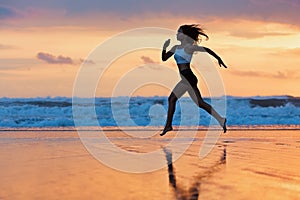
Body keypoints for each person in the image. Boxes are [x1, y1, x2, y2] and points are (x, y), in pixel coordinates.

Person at [160, 24, 227, 136]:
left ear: (185, 36)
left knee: (172, 99)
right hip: (187, 78)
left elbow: (206, 49)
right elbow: (164, 58)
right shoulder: (175, 48)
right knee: (199, 103)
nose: (177, 34)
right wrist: (164, 48)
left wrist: (218, 58)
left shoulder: (189, 48)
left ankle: (168, 126)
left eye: (179, 32)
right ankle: (221, 119)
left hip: (188, 77)